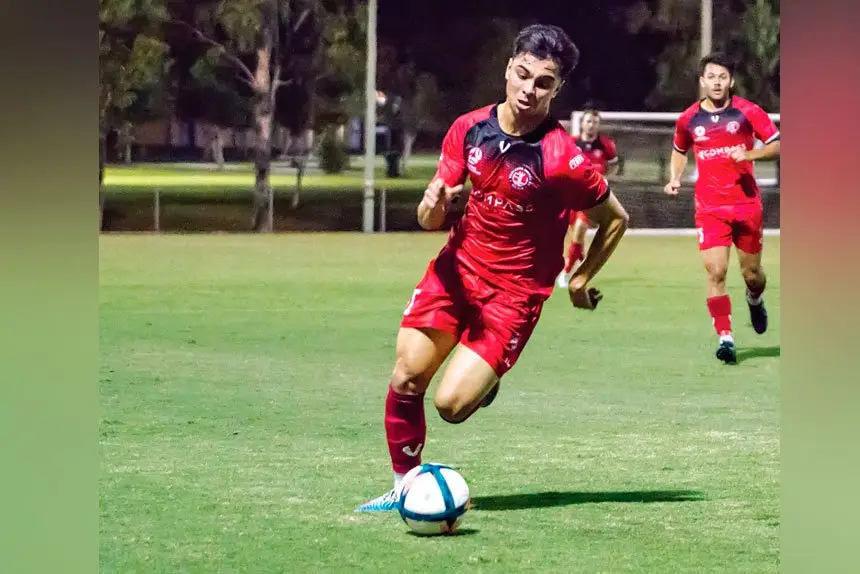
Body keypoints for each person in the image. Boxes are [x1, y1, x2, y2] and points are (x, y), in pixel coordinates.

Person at [356, 24, 629, 512]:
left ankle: (485, 381)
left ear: (557, 88)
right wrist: (432, 205)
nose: (529, 89)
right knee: (407, 376)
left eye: (543, 82)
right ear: (508, 68)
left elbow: (616, 219)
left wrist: (582, 277)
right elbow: (429, 219)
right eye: (522, 74)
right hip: (456, 272)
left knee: (451, 406)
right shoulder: (469, 128)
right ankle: (403, 487)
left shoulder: (562, 158)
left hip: (513, 295)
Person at [663, 53, 780, 364]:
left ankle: (754, 299)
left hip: (746, 204)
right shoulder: (688, 118)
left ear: (731, 81)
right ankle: (725, 337)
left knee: (752, 274)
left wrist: (751, 155)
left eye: (722, 77)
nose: (717, 82)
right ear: (702, 81)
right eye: (711, 77)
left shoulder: (747, 111)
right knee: (716, 271)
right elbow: (679, 150)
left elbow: (778, 144)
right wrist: (675, 178)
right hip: (710, 207)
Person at [557, 109, 620, 287]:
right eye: (588, 121)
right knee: (574, 237)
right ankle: (578, 257)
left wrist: (605, 179)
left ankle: (566, 273)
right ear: (582, 123)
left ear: (598, 125)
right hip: (571, 195)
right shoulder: (571, 143)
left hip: (592, 198)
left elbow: (614, 166)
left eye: (595, 122)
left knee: (579, 229)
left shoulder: (606, 145)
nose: (591, 125)